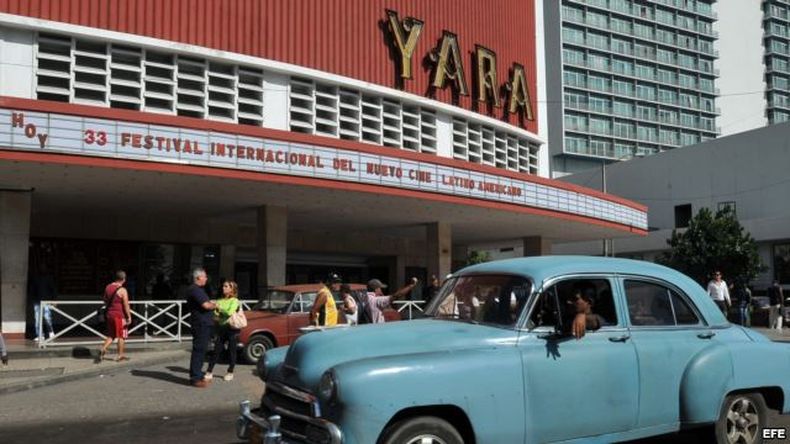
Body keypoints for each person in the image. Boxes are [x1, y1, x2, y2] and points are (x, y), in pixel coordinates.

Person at [186, 268, 217, 388]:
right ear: (198, 277)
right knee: (199, 350)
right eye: (205, 276)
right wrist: (217, 305)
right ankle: (195, 377)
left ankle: (198, 374)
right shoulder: (195, 290)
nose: (206, 278)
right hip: (200, 324)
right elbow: (206, 305)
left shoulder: (198, 290)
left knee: (202, 350)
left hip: (203, 323)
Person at [205, 280, 240, 382]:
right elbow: (216, 314)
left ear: (231, 289)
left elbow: (229, 312)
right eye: (223, 286)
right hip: (221, 328)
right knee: (216, 350)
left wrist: (219, 308)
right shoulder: (219, 300)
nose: (223, 288)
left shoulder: (234, 300)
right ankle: (209, 371)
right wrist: (216, 312)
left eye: (226, 286)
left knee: (231, 351)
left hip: (232, 328)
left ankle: (230, 372)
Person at [97, 270, 132, 362]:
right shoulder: (122, 290)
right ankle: (120, 355)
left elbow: (105, 300)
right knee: (121, 336)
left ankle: (103, 348)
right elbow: (126, 305)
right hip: (119, 316)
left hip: (109, 314)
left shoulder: (108, 287)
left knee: (111, 334)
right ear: (123, 279)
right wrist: (129, 316)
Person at [29, 265, 56, 341]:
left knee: (47, 318)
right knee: (37, 319)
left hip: (46, 302)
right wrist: (32, 300)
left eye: (44, 268)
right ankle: (40, 335)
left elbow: (53, 290)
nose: (42, 269)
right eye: (41, 268)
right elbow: (32, 290)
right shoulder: (36, 279)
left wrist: (54, 301)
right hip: (37, 302)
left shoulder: (49, 278)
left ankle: (51, 332)